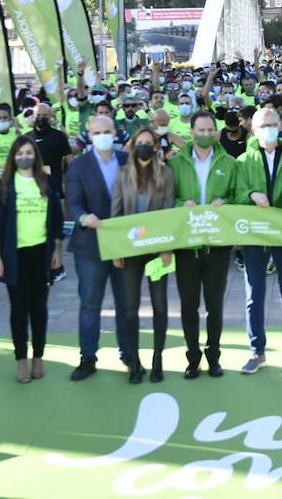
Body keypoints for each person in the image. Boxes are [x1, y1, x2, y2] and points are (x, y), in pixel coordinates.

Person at [0, 136, 64, 383]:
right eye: (20, 152)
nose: (24, 157)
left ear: (36, 156)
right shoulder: (6, 185)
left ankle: (38, 357)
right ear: (13, 156)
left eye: (29, 152)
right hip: (14, 256)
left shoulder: (47, 182)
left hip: (40, 254)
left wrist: (57, 251)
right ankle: (21, 359)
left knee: (39, 309)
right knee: (18, 310)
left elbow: (56, 221)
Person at [63, 114, 133, 381]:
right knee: (90, 305)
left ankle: (128, 353)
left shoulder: (127, 162)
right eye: (97, 132)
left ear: (115, 133)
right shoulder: (78, 166)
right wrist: (82, 218)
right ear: (89, 136)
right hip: (90, 247)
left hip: (123, 245)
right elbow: (74, 201)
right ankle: (88, 358)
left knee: (126, 304)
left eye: (107, 131)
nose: (103, 136)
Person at [234, 106, 282, 374]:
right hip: (255, 234)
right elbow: (236, 194)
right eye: (263, 126)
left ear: (281, 125)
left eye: (273, 124)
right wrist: (251, 194)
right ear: (253, 129)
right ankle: (256, 350)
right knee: (255, 294)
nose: (269, 129)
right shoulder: (243, 161)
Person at [170, 111, 237, 378]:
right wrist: (180, 205)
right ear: (191, 132)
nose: (206, 134)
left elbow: (238, 197)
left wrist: (227, 204)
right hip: (187, 247)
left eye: (211, 130)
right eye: (201, 130)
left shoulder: (229, 162)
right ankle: (192, 357)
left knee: (215, 304)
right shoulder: (176, 163)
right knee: (188, 305)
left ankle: (214, 356)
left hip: (217, 246)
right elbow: (168, 199)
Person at [112, 127, 176, 383]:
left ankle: (157, 359)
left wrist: (167, 248)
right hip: (129, 249)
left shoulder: (166, 174)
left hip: (157, 249)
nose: (145, 147)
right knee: (130, 308)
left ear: (156, 147)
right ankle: (135, 362)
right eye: (140, 142)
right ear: (133, 145)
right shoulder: (122, 174)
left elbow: (170, 211)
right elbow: (115, 212)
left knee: (160, 306)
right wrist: (116, 249)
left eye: (149, 143)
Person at [28, 103, 73, 196]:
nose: (41, 118)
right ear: (33, 116)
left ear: (50, 116)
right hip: (33, 184)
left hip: (55, 185)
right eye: (38, 115)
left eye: (44, 115)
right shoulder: (27, 138)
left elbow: (69, 159)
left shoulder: (59, 136)